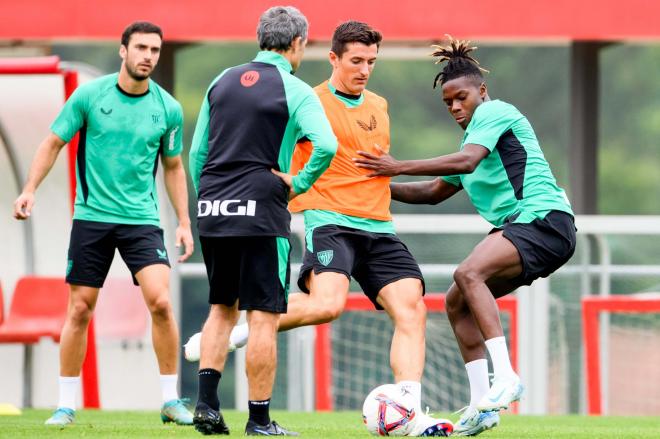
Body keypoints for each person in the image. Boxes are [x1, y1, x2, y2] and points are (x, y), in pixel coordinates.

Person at [188, 20, 454, 437]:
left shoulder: (379, 106)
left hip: (379, 226)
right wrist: (291, 191)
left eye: (371, 61)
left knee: (412, 309)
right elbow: (280, 159)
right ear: (332, 58)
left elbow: (370, 170)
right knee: (328, 305)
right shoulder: (304, 99)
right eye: (356, 61)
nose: (364, 69)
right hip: (329, 221)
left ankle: (409, 409)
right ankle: (246, 330)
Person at [353, 37, 577, 436]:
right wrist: (372, 188)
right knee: (458, 304)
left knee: (468, 273)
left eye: (462, 98)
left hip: (543, 220)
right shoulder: (471, 141)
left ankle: (505, 377)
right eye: (448, 103)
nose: (456, 107)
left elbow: (467, 160)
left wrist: (397, 166)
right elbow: (435, 192)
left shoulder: (496, 115)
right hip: (526, 228)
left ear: (482, 92)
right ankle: (482, 407)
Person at [13, 21, 194, 426]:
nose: (149, 56)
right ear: (123, 51)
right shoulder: (90, 96)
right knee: (79, 309)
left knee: (161, 302)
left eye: (155, 50)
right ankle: (65, 404)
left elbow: (174, 166)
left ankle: (170, 399)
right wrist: (29, 189)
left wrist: (184, 221)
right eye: (142, 48)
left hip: (142, 221)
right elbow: (53, 142)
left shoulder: (168, 108)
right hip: (92, 219)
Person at [188, 6, 337, 436]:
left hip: (214, 209)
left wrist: (211, 199)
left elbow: (199, 153)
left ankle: (207, 407)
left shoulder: (221, 80)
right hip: (262, 211)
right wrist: (296, 182)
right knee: (262, 317)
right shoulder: (295, 89)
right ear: (298, 43)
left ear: (260, 38)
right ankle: (258, 420)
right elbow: (326, 144)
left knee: (221, 308)